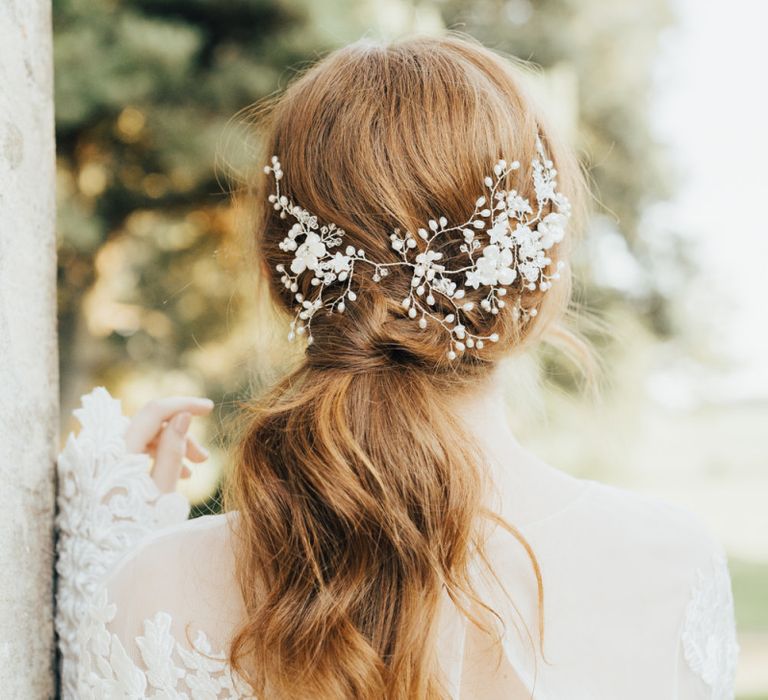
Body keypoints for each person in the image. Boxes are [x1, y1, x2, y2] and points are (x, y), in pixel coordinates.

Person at [55, 35, 739, 699]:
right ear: (542, 275)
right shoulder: (669, 567)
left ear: (282, 271)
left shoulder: (157, 593)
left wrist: (105, 545)